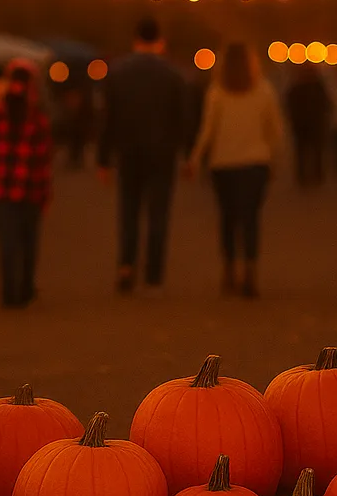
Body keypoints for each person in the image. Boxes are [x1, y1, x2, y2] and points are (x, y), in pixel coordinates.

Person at [97, 18, 187, 293]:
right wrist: (187, 154)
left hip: (128, 150)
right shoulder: (173, 75)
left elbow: (108, 119)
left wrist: (103, 159)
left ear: (135, 39)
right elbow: (182, 118)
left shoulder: (118, 72)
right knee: (158, 212)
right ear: (160, 41)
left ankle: (126, 265)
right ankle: (154, 271)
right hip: (162, 152)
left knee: (129, 210)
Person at [187, 42, 284, 298]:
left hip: (224, 164)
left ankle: (229, 268)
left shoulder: (217, 92)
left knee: (228, 218)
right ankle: (250, 270)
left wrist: (195, 158)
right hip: (256, 163)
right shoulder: (264, 91)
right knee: (251, 218)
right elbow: (275, 130)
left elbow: (207, 131)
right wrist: (275, 158)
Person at [0, 60, 52, 307]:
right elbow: (43, 159)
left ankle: (8, 292)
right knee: (29, 242)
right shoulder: (37, 118)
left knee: (7, 243)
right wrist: (45, 192)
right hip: (30, 189)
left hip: (2, 188)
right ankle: (25, 289)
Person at [286, 64, 333, 187]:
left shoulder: (296, 87)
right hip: (315, 124)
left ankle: (303, 178)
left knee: (302, 153)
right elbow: (327, 104)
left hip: (301, 125)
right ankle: (317, 177)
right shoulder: (318, 87)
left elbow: (289, 105)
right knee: (316, 152)